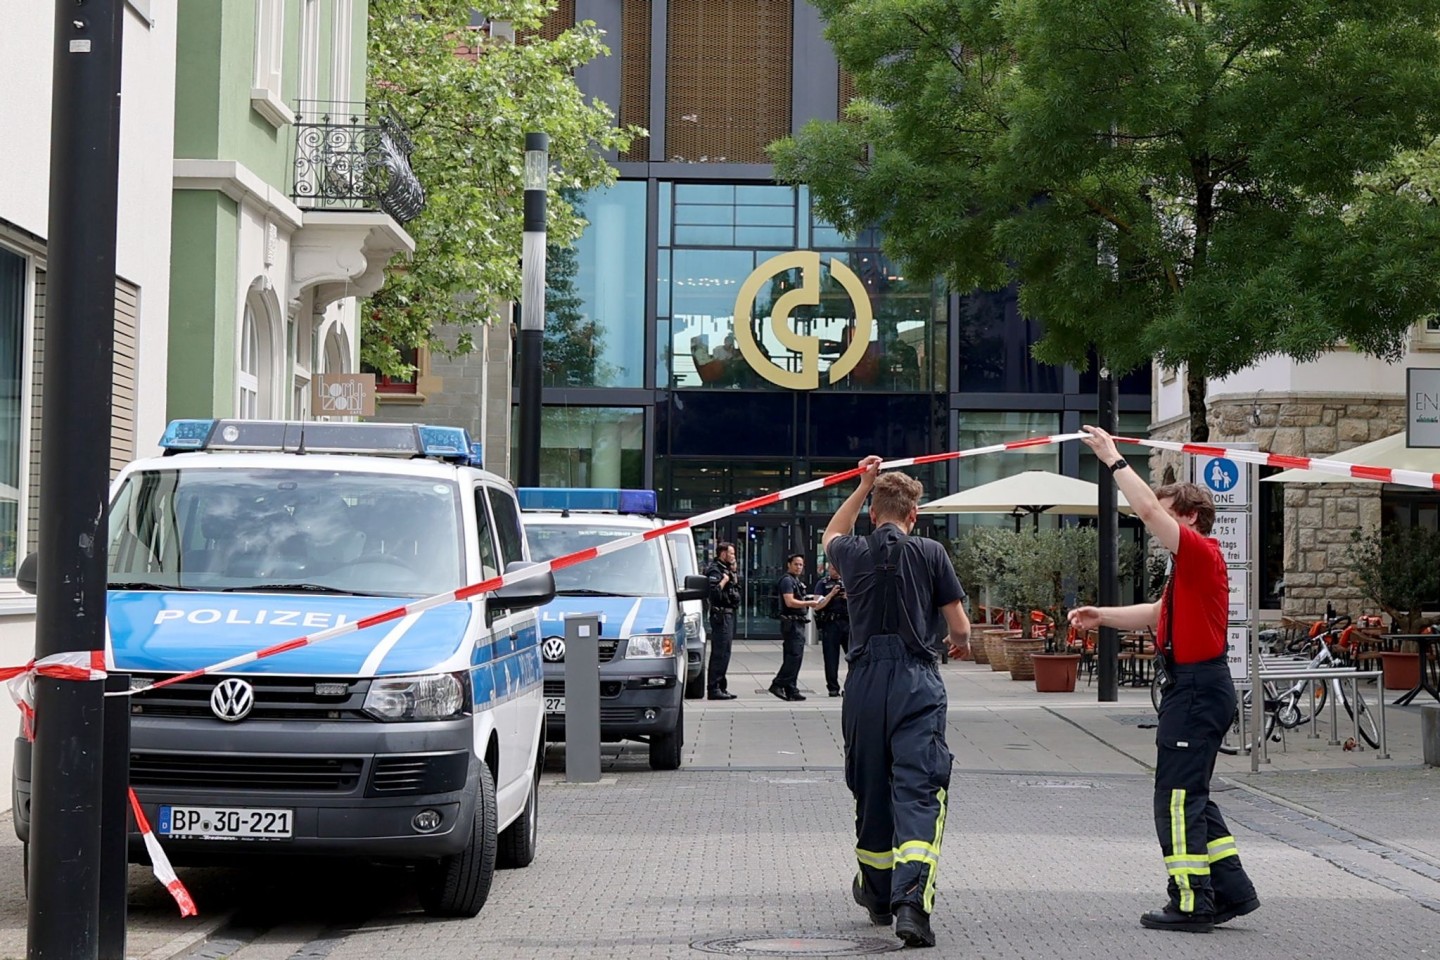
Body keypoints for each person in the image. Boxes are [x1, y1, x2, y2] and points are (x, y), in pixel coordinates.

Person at [1068, 424, 1259, 934]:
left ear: (1191, 518)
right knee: (1192, 793)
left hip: (1196, 689)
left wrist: (1113, 458)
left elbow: (1148, 511)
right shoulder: (1190, 569)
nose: (1152, 518)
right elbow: (1157, 613)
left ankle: (1193, 902)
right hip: (1196, 687)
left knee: (1175, 798)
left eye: (1165, 511)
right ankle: (1231, 892)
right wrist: (1101, 616)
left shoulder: (1198, 551)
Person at [823, 456, 971, 949]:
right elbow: (960, 627)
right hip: (916, 683)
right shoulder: (930, 551)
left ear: (872, 513)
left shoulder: (853, 551)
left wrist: (863, 484)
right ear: (915, 514)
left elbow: (829, 534)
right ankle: (913, 903)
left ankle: (879, 895)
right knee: (919, 789)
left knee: (870, 788)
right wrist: (957, 642)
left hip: (865, 685)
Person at [769, 554, 819, 701]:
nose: (799, 567)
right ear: (789, 564)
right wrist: (807, 604)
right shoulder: (786, 581)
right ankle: (778, 684)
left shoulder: (795, 581)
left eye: (801, 565)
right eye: (796, 564)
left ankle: (791, 688)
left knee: (794, 656)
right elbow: (790, 602)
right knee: (794, 656)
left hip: (798, 622)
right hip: (791, 623)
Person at [704, 542, 741, 700]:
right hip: (720, 615)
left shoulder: (726, 570)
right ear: (723, 554)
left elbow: (735, 593)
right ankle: (714, 688)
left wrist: (733, 575)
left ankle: (721, 686)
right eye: (731, 554)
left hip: (728, 613)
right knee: (719, 652)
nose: (733, 557)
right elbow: (713, 593)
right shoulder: (715, 570)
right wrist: (724, 580)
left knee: (725, 652)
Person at [813, 562, 849, 696]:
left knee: (853, 657)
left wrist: (849, 597)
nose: (836, 572)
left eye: (839, 569)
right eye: (834, 569)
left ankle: (850, 687)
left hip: (847, 623)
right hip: (831, 624)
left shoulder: (849, 581)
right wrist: (831, 594)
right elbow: (817, 605)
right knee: (830, 658)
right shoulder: (822, 584)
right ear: (829, 569)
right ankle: (833, 688)